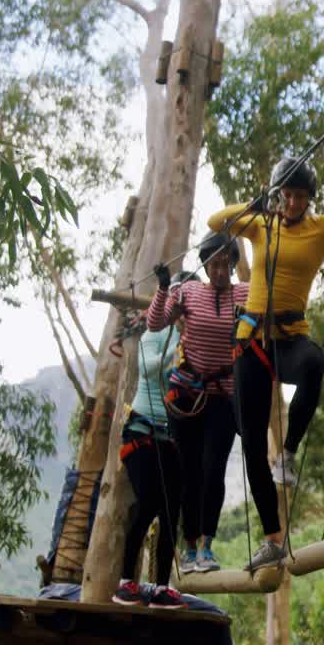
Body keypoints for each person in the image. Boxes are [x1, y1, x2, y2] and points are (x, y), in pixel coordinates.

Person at [207, 156, 324, 572]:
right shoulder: (260, 225)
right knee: (252, 444)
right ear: (278, 195)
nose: (292, 203)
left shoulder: (323, 227)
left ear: (310, 199)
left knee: (314, 363)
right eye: (286, 195)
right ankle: (273, 539)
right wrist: (252, 208)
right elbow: (214, 221)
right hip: (251, 343)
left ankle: (288, 453)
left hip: (290, 339)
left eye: (299, 197)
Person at [148, 233, 250, 575]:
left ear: (234, 266)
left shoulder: (245, 294)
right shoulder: (188, 291)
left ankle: (207, 545)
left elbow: (270, 308)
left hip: (223, 394)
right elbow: (155, 323)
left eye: (226, 265)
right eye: (214, 264)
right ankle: (189, 548)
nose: (220, 271)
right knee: (189, 472)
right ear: (205, 265)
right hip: (186, 393)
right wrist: (163, 288)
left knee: (213, 470)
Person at [112, 323, 187, 609]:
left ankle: (161, 588)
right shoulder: (154, 335)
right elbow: (148, 369)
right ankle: (125, 582)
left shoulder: (192, 337)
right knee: (149, 502)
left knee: (170, 511)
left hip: (169, 436)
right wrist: (174, 345)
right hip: (141, 433)